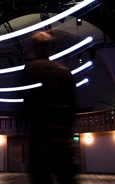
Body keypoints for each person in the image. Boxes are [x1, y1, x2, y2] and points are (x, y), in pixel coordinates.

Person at [23, 31, 78, 183]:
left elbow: (25, 106)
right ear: (49, 48)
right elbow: (73, 106)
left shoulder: (29, 69)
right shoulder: (64, 71)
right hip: (63, 141)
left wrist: (20, 138)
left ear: (32, 48)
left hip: (39, 141)